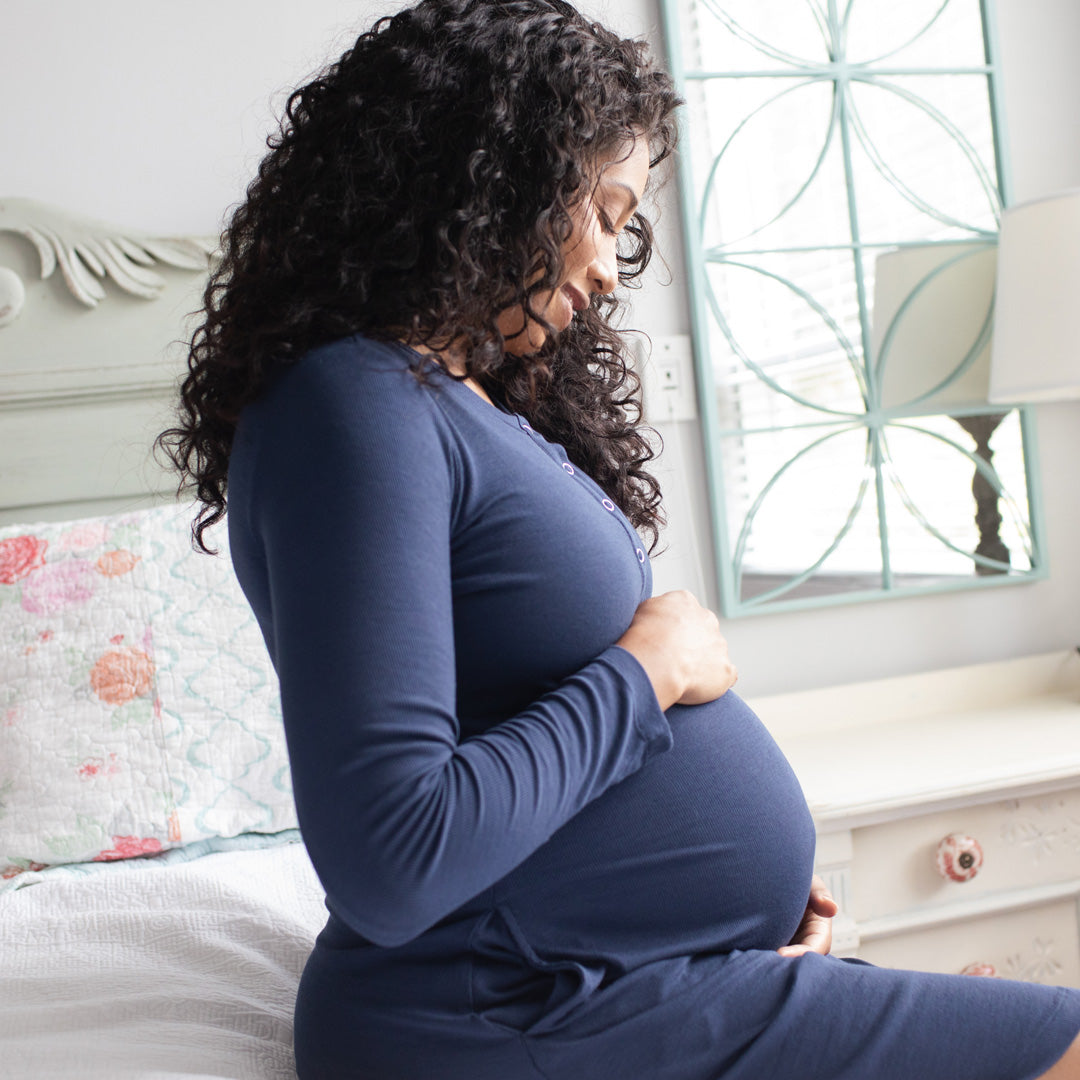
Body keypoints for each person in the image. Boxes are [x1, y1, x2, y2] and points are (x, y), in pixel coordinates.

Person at [157, 1, 1080, 1077]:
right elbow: (393, 859)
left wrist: (714, 917)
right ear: (490, 182)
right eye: (603, 209)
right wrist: (648, 671)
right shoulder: (355, 407)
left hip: (606, 973)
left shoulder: (464, 403)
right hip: (497, 1016)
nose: (609, 266)